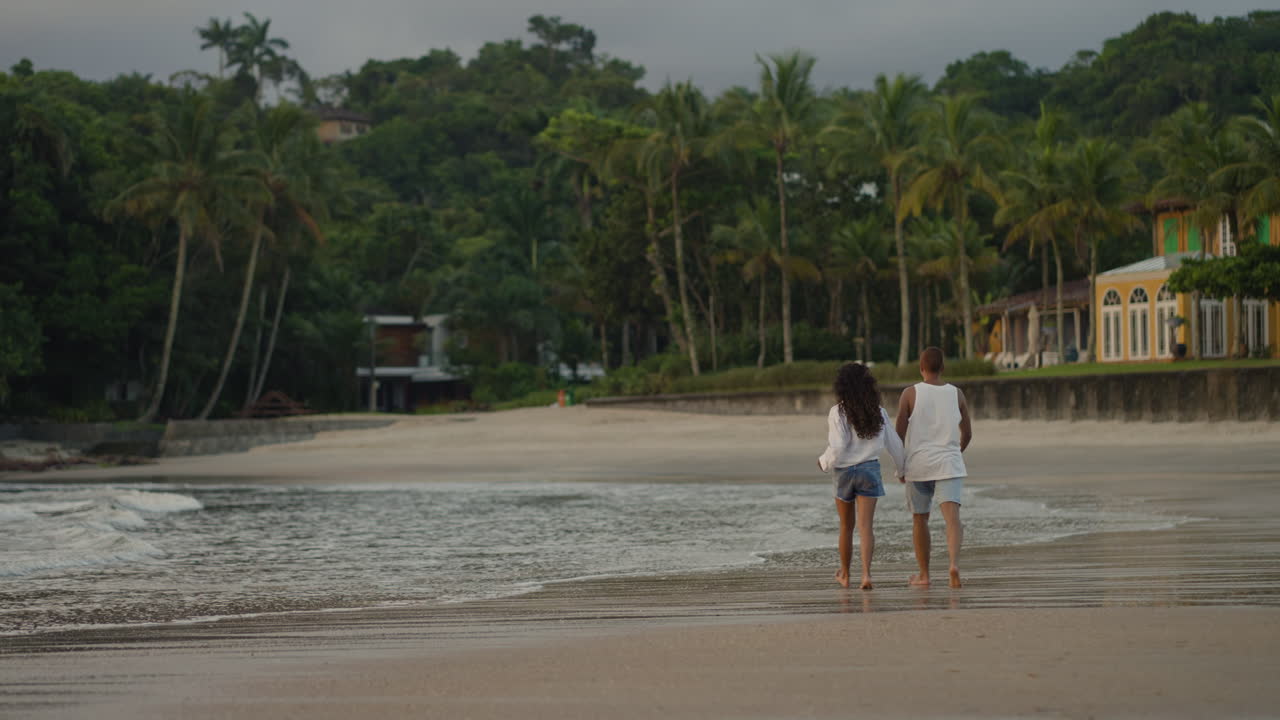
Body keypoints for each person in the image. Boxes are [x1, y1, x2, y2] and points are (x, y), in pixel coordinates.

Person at [818, 362, 906, 590]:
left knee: (846, 527)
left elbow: (837, 446)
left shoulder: (837, 412)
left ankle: (845, 574)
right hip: (869, 470)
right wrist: (902, 470)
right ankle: (866, 575)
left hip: (844, 472)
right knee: (866, 527)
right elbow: (894, 444)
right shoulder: (878, 411)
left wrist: (824, 462)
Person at [894, 347, 972, 589]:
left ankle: (924, 575)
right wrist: (954, 454)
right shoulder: (956, 394)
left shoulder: (909, 393)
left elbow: (898, 435)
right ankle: (954, 565)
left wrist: (900, 467)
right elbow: (967, 434)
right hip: (948, 464)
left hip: (918, 465)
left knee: (920, 519)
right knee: (952, 519)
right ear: (943, 368)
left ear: (921, 367)